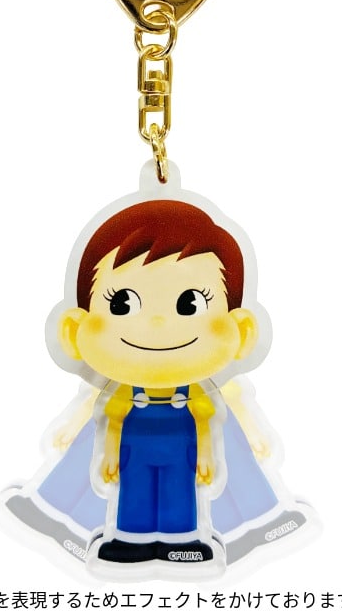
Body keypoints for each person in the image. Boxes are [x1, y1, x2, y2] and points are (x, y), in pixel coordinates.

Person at [55, 200, 259, 566]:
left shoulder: (198, 391)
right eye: (121, 304)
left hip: (182, 450)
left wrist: (208, 455)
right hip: (134, 450)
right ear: (75, 329)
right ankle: (130, 540)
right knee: (135, 491)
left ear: (241, 330)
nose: (158, 324)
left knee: (179, 492)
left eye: (190, 304)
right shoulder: (120, 391)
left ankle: (183, 540)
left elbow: (207, 418)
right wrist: (109, 454)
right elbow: (111, 419)